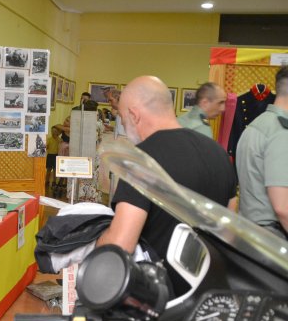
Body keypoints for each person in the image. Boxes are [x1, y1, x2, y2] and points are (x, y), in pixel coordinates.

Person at [96, 76, 237, 296]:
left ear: (134, 115)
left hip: (160, 297)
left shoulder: (142, 160)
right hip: (209, 293)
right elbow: (229, 228)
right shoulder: (218, 153)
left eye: (123, 118)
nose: (124, 125)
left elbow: (121, 245)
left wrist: (94, 244)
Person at [236, 66, 288, 238]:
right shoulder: (281, 132)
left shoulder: (258, 125)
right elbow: (283, 207)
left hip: (251, 231)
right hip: (272, 237)